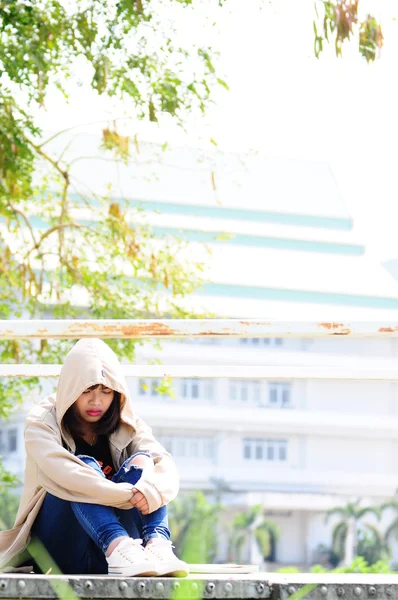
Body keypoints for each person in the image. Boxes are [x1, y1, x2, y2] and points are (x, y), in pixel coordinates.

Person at [0, 338, 189, 577]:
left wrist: (149, 490)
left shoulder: (126, 420)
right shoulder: (40, 422)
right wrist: (129, 495)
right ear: (70, 387)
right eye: (87, 390)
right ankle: (115, 542)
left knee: (143, 461)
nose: (96, 401)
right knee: (84, 467)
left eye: (106, 391)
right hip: (58, 551)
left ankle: (158, 545)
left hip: (128, 559)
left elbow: (163, 463)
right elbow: (68, 475)